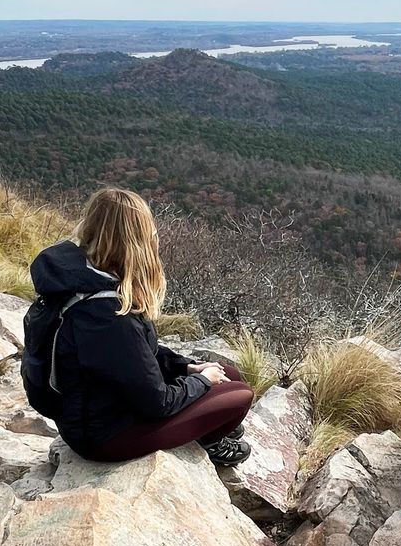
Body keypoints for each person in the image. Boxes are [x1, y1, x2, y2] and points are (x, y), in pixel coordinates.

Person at [23, 187, 254, 466]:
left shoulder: (81, 280)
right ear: (136, 240)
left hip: (90, 410)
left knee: (227, 374)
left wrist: (186, 367)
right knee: (240, 396)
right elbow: (158, 403)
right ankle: (211, 440)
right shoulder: (107, 316)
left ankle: (211, 425)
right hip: (104, 437)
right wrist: (201, 382)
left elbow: (139, 353)